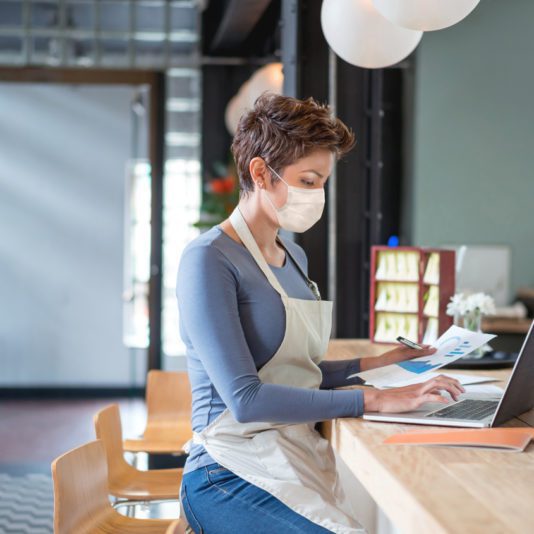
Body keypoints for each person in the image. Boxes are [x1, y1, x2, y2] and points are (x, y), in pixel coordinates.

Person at [176, 93, 464, 533]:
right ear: (260, 172)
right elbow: (247, 399)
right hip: (226, 470)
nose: (317, 195)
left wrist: (376, 366)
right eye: (308, 181)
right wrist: (377, 398)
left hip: (292, 450)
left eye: (322, 182)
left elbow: (296, 374)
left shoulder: (293, 257)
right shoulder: (209, 259)